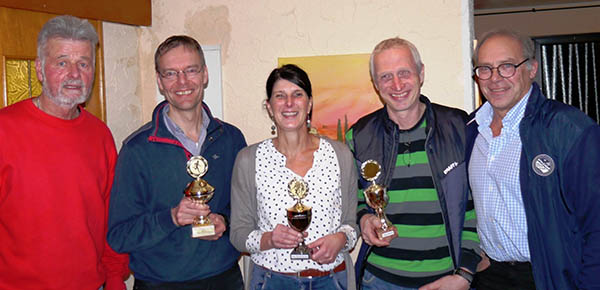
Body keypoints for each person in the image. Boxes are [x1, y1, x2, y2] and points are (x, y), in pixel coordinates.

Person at [107, 35, 247, 289]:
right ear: (160, 82)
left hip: (224, 279)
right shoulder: (137, 149)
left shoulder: (231, 139)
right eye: (171, 73)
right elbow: (119, 236)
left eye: (190, 70)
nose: (182, 81)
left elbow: (245, 211)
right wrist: (171, 217)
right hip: (160, 283)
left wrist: (224, 223)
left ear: (204, 74)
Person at [0, 15, 129, 289]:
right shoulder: (4, 130)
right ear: (39, 69)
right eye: (62, 62)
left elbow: (112, 218)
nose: (74, 74)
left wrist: (115, 278)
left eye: (83, 63)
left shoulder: (100, 135)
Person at [468, 29, 600, 290]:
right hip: (488, 277)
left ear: (531, 68)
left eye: (507, 66)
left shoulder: (570, 129)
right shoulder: (471, 130)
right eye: (485, 68)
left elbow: (596, 224)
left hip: (548, 278)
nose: (495, 79)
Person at [345, 37, 481, 290]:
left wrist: (465, 273)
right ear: (375, 84)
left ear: (421, 73)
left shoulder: (460, 128)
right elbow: (351, 200)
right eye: (386, 77)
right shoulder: (359, 136)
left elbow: (477, 207)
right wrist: (364, 219)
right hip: (380, 281)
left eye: (404, 73)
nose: (396, 84)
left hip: (448, 281)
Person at [230, 64, 358, 290]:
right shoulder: (249, 160)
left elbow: (350, 224)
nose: (289, 103)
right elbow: (238, 234)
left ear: (309, 103)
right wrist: (270, 239)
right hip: (272, 280)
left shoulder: (339, 155)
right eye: (280, 96)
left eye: (297, 95)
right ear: (269, 107)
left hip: (332, 280)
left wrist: (341, 240)